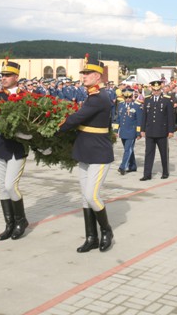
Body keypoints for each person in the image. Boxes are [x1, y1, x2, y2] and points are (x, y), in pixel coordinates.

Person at [59, 56, 115, 253]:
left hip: (99, 153)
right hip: (85, 151)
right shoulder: (92, 96)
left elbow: (76, 119)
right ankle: (91, 237)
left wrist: (56, 128)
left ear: (97, 77)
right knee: (85, 197)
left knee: (92, 196)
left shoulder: (99, 97)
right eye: (83, 73)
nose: (83, 76)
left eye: (87, 74)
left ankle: (106, 231)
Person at [0, 60, 30, 240]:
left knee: (10, 186)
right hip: (0, 146)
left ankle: (21, 221)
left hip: (17, 147)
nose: (3, 79)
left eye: (7, 76)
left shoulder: (27, 96)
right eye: (2, 76)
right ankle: (10, 224)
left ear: (16, 77)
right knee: (2, 188)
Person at [140, 80, 175, 181]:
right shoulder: (147, 100)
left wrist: (171, 131)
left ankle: (165, 172)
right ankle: (147, 174)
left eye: (158, 90)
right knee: (149, 153)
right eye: (154, 90)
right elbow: (144, 116)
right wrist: (142, 129)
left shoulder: (166, 100)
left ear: (161, 89)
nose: (156, 92)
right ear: (151, 89)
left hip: (162, 131)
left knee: (164, 153)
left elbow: (170, 117)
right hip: (150, 130)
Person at [113, 88, 142, 175]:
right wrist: (115, 130)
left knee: (127, 149)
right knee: (129, 150)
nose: (128, 99)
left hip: (131, 131)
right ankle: (133, 166)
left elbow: (139, 121)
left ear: (132, 97)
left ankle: (123, 167)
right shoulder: (121, 105)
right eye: (126, 97)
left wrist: (138, 133)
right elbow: (118, 119)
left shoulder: (136, 106)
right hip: (123, 131)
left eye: (129, 97)